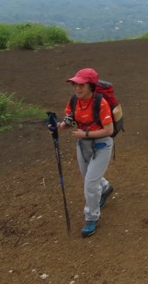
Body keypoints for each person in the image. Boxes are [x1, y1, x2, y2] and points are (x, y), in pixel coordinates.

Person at [57, 67, 115, 238]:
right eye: (75, 84)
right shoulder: (75, 100)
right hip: (83, 145)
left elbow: (109, 130)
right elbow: (70, 119)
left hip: (102, 145)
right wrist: (61, 126)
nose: (77, 88)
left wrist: (85, 134)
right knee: (89, 177)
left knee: (89, 184)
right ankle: (105, 187)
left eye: (81, 85)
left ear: (91, 86)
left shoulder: (100, 103)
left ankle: (91, 217)